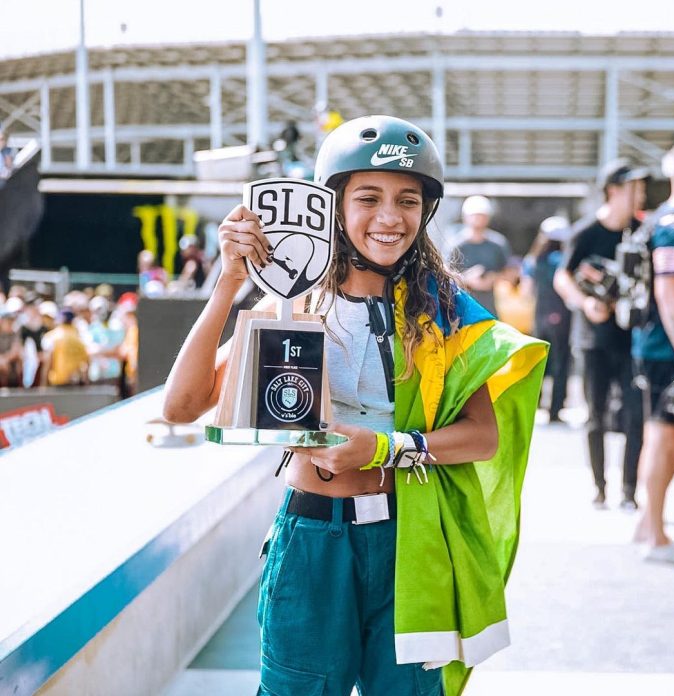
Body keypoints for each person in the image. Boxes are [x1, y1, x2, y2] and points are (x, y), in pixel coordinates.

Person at [162, 115, 547, 696]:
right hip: (313, 540)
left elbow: (483, 436)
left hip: (410, 545)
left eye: (408, 201)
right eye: (368, 198)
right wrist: (227, 283)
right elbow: (181, 406)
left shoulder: (444, 312)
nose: (390, 218)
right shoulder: (292, 303)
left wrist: (388, 448)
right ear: (332, 205)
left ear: (427, 212)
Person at [554, 159, 649, 510]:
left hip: (632, 339)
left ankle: (629, 491)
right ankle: (600, 487)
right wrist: (585, 303)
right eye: (633, 187)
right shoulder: (587, 232)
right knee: (595, 415)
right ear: (613, 190)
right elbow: (562, 277)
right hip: (593, 340)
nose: (639, 194)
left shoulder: (643, 232)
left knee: (634, 414)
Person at [632, 138, 674, 567]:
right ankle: (654, 535)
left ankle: (647, 526)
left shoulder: (666, 220)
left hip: (664, 349)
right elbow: (668, 291)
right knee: (665, 436)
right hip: (668, 352)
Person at [523, 216, 573, 422]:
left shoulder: (532, 260)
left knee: (540, 360)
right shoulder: (561, 260)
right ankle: (555, 409)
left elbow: (526, 290)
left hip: (539, 314)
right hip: (561, 313)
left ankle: (534, 404)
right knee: (561, 361)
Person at [449, 195, 512, 316]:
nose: (477, 219)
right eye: (474, 215)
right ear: (465, 217)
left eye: (481, 215)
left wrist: (493, 278)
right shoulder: (455, 244)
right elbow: (444, 275)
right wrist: (467, 279)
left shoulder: (497, 244)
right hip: (461, 309)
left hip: (490, 307)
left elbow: (510, 273)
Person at [41, 308, 89, 386]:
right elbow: (86, 363)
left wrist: (43, 384)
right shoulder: (79, 338)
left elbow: (48, 361)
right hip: (75, 382)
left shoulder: (51, 337)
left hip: (57, 381)